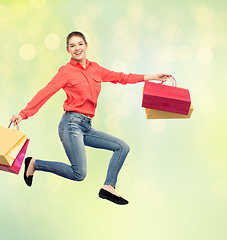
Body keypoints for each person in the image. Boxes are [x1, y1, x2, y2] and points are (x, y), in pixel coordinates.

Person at [11, 31, 170, 205]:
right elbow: (45, 93)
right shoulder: (66, 71)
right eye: (72, 46)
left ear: (86, 46)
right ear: (68, 50)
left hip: (86, 126)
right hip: (71, 124)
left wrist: (153, 77)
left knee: (122, 147)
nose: (77, 48)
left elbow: (122, 77)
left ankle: (109, 186)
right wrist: (23, 114)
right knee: (79, 174)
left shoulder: (96, 69)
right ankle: (35, 163)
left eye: (80, 44)